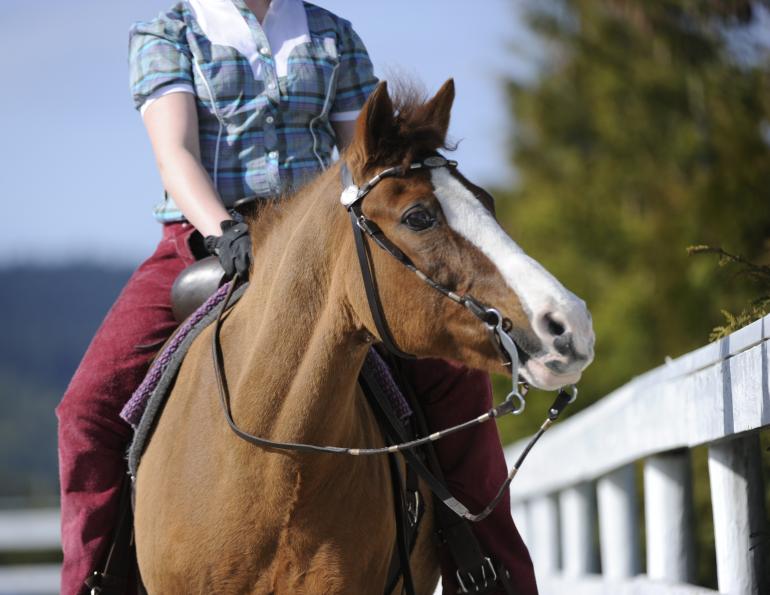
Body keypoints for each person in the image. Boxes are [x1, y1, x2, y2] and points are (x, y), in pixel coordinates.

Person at [55, 1, 537, 593]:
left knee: (456, 378)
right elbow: (175, 153)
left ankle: (488, 571)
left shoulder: (332, 35)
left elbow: (370, 159)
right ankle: (94, 581)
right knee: (87, 410)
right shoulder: (168, 33)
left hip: (320, 246)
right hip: (204, 239)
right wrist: (224, 231)